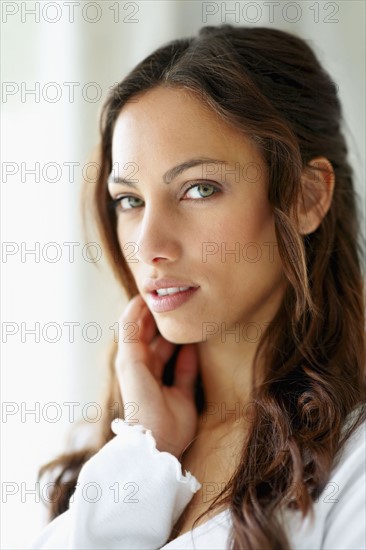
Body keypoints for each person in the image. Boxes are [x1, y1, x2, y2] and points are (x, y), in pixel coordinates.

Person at [29, 25, 366, 549]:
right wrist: (148, 451)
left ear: (306, 196)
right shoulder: (107, 448)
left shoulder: (355, 464)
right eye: (128, 200)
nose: (148, 245)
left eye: (199, 189)